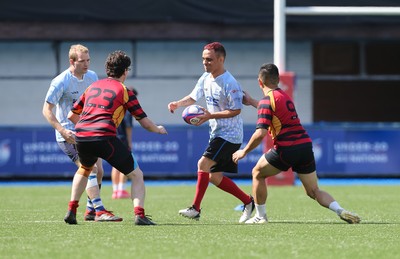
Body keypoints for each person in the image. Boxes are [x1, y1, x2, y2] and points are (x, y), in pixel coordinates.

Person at [232, 63, 361, 224]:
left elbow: (260, 133)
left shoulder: (267, 101)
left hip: (287, 148)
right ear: (278, 80)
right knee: (314, 191)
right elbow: (271, 109)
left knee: (257, 173)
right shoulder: (284, 96)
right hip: (305, 146)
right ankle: (339, 210)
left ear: (260, 82)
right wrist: (251, 101)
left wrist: (244, 151)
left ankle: (260, 216)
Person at [64, 50, 167, 225]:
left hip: (82, 136)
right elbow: (144, 122)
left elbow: (71, 116)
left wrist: (87, 127)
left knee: (84, 170)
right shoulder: (124, 90)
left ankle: (72, 210)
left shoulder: (92, 87)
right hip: (104, 136)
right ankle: (139, 215)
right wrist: (158, 129)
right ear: (125, 71)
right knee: (136, 174)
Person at [167, 42, 254, 223]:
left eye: (209, 59)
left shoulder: (230, 83)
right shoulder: (205, 78)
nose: (205, 63)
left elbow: (236, 110)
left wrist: (210, 115)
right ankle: (248, 201)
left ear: (221, 59)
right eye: (203, 59)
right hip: (217, 133)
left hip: (230, 134)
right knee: (215, 177)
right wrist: (178, 103)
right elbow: (192, 97)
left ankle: (195, 209)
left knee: (202, 163)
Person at [42, 44, 119, 223]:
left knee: (99, 171)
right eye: (82, 61)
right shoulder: (60, 81)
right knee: (89, 168)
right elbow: (46, 110)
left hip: (89, 132)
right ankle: (99, 210)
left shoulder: (92, 76)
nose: (86, 64)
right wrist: (62, 130)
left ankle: (90, 211)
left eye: (88, 60)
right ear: (72, 61)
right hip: (68, 134)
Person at [111, 88, 137, 199]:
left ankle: (115, 190)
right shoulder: (127, 110)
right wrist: (130, 142)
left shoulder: (115, 107)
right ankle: (121, 189)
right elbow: (128, 127)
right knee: (124, 164)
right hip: (122, 139)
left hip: (112, 137)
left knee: (115, 166)